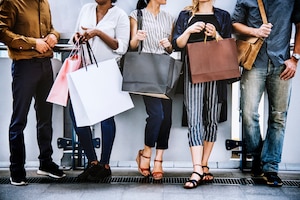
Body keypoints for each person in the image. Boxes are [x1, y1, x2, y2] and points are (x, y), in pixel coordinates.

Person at [232, 0, 300, 187]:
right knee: (248, 114)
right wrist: (255, 31)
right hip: (253, 63)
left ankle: (270, 167)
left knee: (278, 117)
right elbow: (234, 23)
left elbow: (299, 24)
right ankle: (258, 158)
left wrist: (295, 58)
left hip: (282, 63)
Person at [0, 0, 66, 186]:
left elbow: (51, 28)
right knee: (19, 120)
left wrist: (54, 35)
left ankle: (45, 163)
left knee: (45, 118)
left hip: (46, 66)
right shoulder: (11, 2)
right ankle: (17, 170)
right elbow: (2, 31)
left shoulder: (44, 2)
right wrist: (32, 43)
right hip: (24, 67)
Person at [172, 0, 232, 189]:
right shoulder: (185, 15)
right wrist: (189, 31)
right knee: (194, 117)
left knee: (212, 118)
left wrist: (215, 34)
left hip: (217, 71)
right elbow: (177, 44)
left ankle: (204, 163)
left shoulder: (223, 16)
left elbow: (228, 45)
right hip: (193, 69)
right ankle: (197, 168)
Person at [69, 0, 130, 181]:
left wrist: (97, 32)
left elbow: (121, 47)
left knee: (106, 118)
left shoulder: (119, 15)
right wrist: (77, 37)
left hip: (107, 72)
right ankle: (92, 162)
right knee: (76, 113)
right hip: (85, 70)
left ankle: (105, 164)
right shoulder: (86, 9)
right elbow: (76, 33)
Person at [129, 0, 174, 180]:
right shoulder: (136, 15)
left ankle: (159, 159)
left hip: (164, 71)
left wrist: (167, 45)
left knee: (167, 118)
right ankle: (146, 152)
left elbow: (171, 49)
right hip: (145, 70)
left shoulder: (169, 17)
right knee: (157, 115)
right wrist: (137, 38)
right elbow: (132, 46)